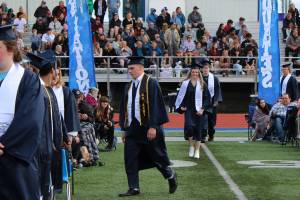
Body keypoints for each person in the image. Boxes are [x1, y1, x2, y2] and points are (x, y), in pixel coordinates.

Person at [119, 56, 177, 197]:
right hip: (133, 129)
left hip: (148, 128)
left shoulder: (151, 83)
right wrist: (125, 129)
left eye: (132, 68)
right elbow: (125, 108)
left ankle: (170, 175)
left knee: (156, 157)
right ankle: (134, 187)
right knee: (130, 158)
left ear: (140, 67)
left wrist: (153, 126)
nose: (130, 71)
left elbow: (157, 105)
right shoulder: (129, 86)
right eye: (129, 69)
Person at [0, 25, 44, 200]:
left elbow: (31, 120)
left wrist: (4, 146)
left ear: (10, 48)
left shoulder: (28, 80)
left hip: (15, 160)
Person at [27, 50, 70, 198]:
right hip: (42, 150)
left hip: (49, 148)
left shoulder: (46, 90)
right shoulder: (39, 91)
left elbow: (57, 117)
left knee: (47, 188)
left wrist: (64, 136)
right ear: (52, 71)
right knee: (41, 189)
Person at [175, 65, 210, 158]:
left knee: (198, 130)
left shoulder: (202, 84)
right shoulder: (185, 83)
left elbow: (207, 98)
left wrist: (203, 109)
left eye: (197, 72)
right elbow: (180, 96)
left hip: (199, 110)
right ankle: (191, 146)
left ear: (199, 73)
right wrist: (181, 107)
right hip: (189, 110)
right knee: (189, 128)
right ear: (190, 73)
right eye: (193, 72)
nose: (195, 74)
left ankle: (197, 150)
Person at [201, 60, 222, 141]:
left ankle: (211, 134)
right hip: (203, 103)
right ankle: (203, 136)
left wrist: (216, 101)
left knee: (211, 121)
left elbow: (217, 90)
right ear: (202, 69)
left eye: (207, 68)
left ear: (209, 69)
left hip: (212, 102)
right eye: (204, 68)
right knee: (203, 120)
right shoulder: (200, 78)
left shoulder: (214, 78)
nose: (205, 70)